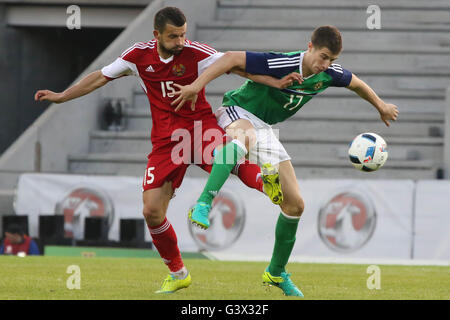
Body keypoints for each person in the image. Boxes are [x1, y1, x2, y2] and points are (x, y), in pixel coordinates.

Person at [34, 6, 294, 294]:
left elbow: (235, 66)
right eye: (173, 36)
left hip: (199, 129)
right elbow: (100, 77)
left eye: (183, 34)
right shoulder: (137, 56)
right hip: (165, 142)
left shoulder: (195, 52)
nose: (181, 41)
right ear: (156, 34)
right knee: (152, 211)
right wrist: (62, 96)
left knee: (232, 159)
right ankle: (178, 272)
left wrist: (275, 82)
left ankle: (267, 182)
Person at [172, 25, 399, 297]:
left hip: (265, 128)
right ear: (310, 47)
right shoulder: (284, 62)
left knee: (295, 205)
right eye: (323, 56)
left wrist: (381, 106)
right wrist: (196, 86)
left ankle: (276, 273)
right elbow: (231, 58)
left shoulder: (328, 74)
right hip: (238, 110)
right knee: (241, 142)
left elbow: (356, 83)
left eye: (332, 60)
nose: (325, 65)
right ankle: (204, 202)